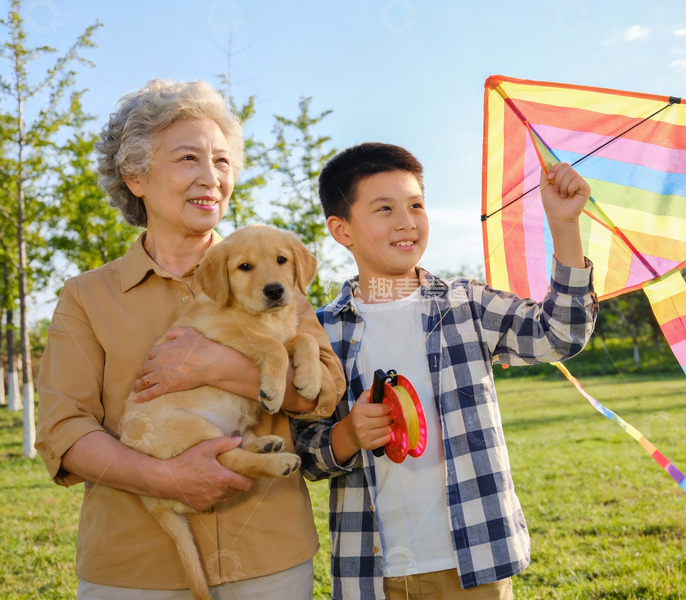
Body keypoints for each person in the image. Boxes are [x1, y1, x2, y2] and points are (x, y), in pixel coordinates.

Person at [35, 79, 345, 599]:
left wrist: (217, 368)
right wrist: (165, 479)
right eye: (188, 158)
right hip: (135, 566)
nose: (211, 178)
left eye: (222, 162)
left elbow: (324, 396)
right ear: (135, 176)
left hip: (267, 554)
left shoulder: (273, 273)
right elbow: (64, 430)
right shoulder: (85, 296)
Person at [292, 142, 598, 600]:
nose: (406, 221)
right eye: (384, 209)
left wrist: (565, 226)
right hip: (372, 572)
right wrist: (349, 435)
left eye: (416, 204)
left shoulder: (466, 304)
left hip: (474, 562)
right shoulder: (322, 332)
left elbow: (561, 333)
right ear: (342, 230)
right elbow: (305, 449)